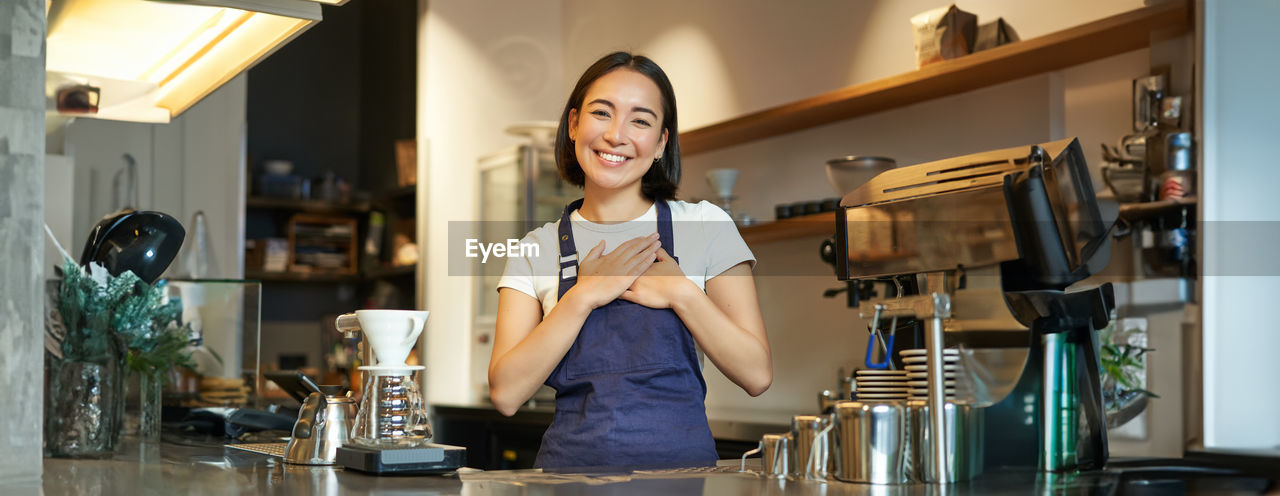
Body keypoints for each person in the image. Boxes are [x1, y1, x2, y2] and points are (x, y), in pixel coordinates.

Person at [488, 51, 772, 469]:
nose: (616, 135)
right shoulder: (536, 248)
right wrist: (582, 297)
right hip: (569, 479)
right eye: (602, 113)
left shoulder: (706, 224)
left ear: (661, 143)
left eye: (640, 120)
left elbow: (757, 375)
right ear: (573, 125)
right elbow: (507, 394)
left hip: (683, 479)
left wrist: (681, 291)